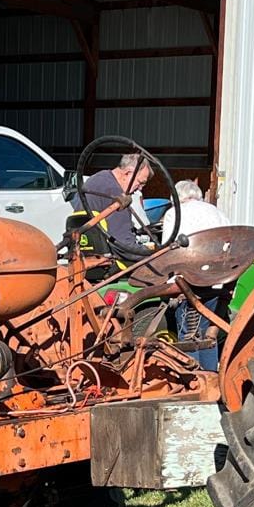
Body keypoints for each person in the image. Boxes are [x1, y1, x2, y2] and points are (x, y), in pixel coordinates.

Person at [162, 180, 233, 373]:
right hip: (219, 280)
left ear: (176, 198)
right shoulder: (217, 213)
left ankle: (193, 380)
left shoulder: (174, 214)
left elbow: (169, 251)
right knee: (207, 334)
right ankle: (210, 377)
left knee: (188, 334)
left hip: (189, 282)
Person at [71, 152, 153, 260]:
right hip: (111, 261)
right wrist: (154, 253)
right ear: (128, 173)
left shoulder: (97, 179)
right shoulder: (116, 195)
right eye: (140, 182)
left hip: (87, 255)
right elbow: (125, 247)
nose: (140, 189)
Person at [160, 179, 228, 243]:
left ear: (175, 199)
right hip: (219, 253)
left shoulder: (173, 214)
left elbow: (167, 246)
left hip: (187, 254)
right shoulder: (218, 212)